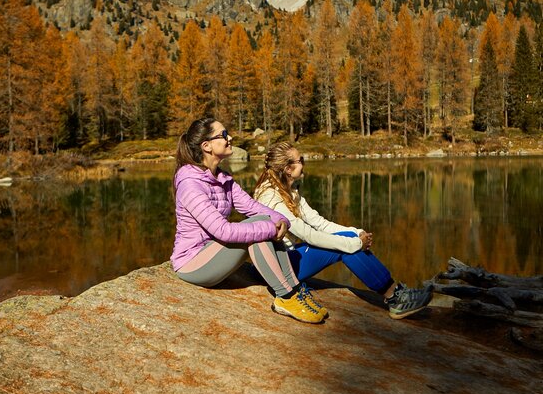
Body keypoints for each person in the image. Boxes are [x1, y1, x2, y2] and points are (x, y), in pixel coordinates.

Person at [171, 118, 327, 324]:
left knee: (262, 223)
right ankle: (285, 297)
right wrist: (268, 228)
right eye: (223, 135)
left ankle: (294, 288)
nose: (230, 138)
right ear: (206, 146)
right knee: (258, 231)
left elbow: (252, 207)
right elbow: (223, 232)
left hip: (215, 252)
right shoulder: (190, 184)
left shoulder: (223, 178)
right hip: (193, 262)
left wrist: (280, 219)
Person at [254, 142, 433, 319]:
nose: (304, 163)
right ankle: (395, 297)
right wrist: (353, 243)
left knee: (347, 241)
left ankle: (395, 293)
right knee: (345, 247)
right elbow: (307, 234)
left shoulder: (288, 190)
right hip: (278, 267)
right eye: (301, 160)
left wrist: (356, 232)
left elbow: (319, 223)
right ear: (287, 168)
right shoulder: (271, 197)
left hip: (287, 257)